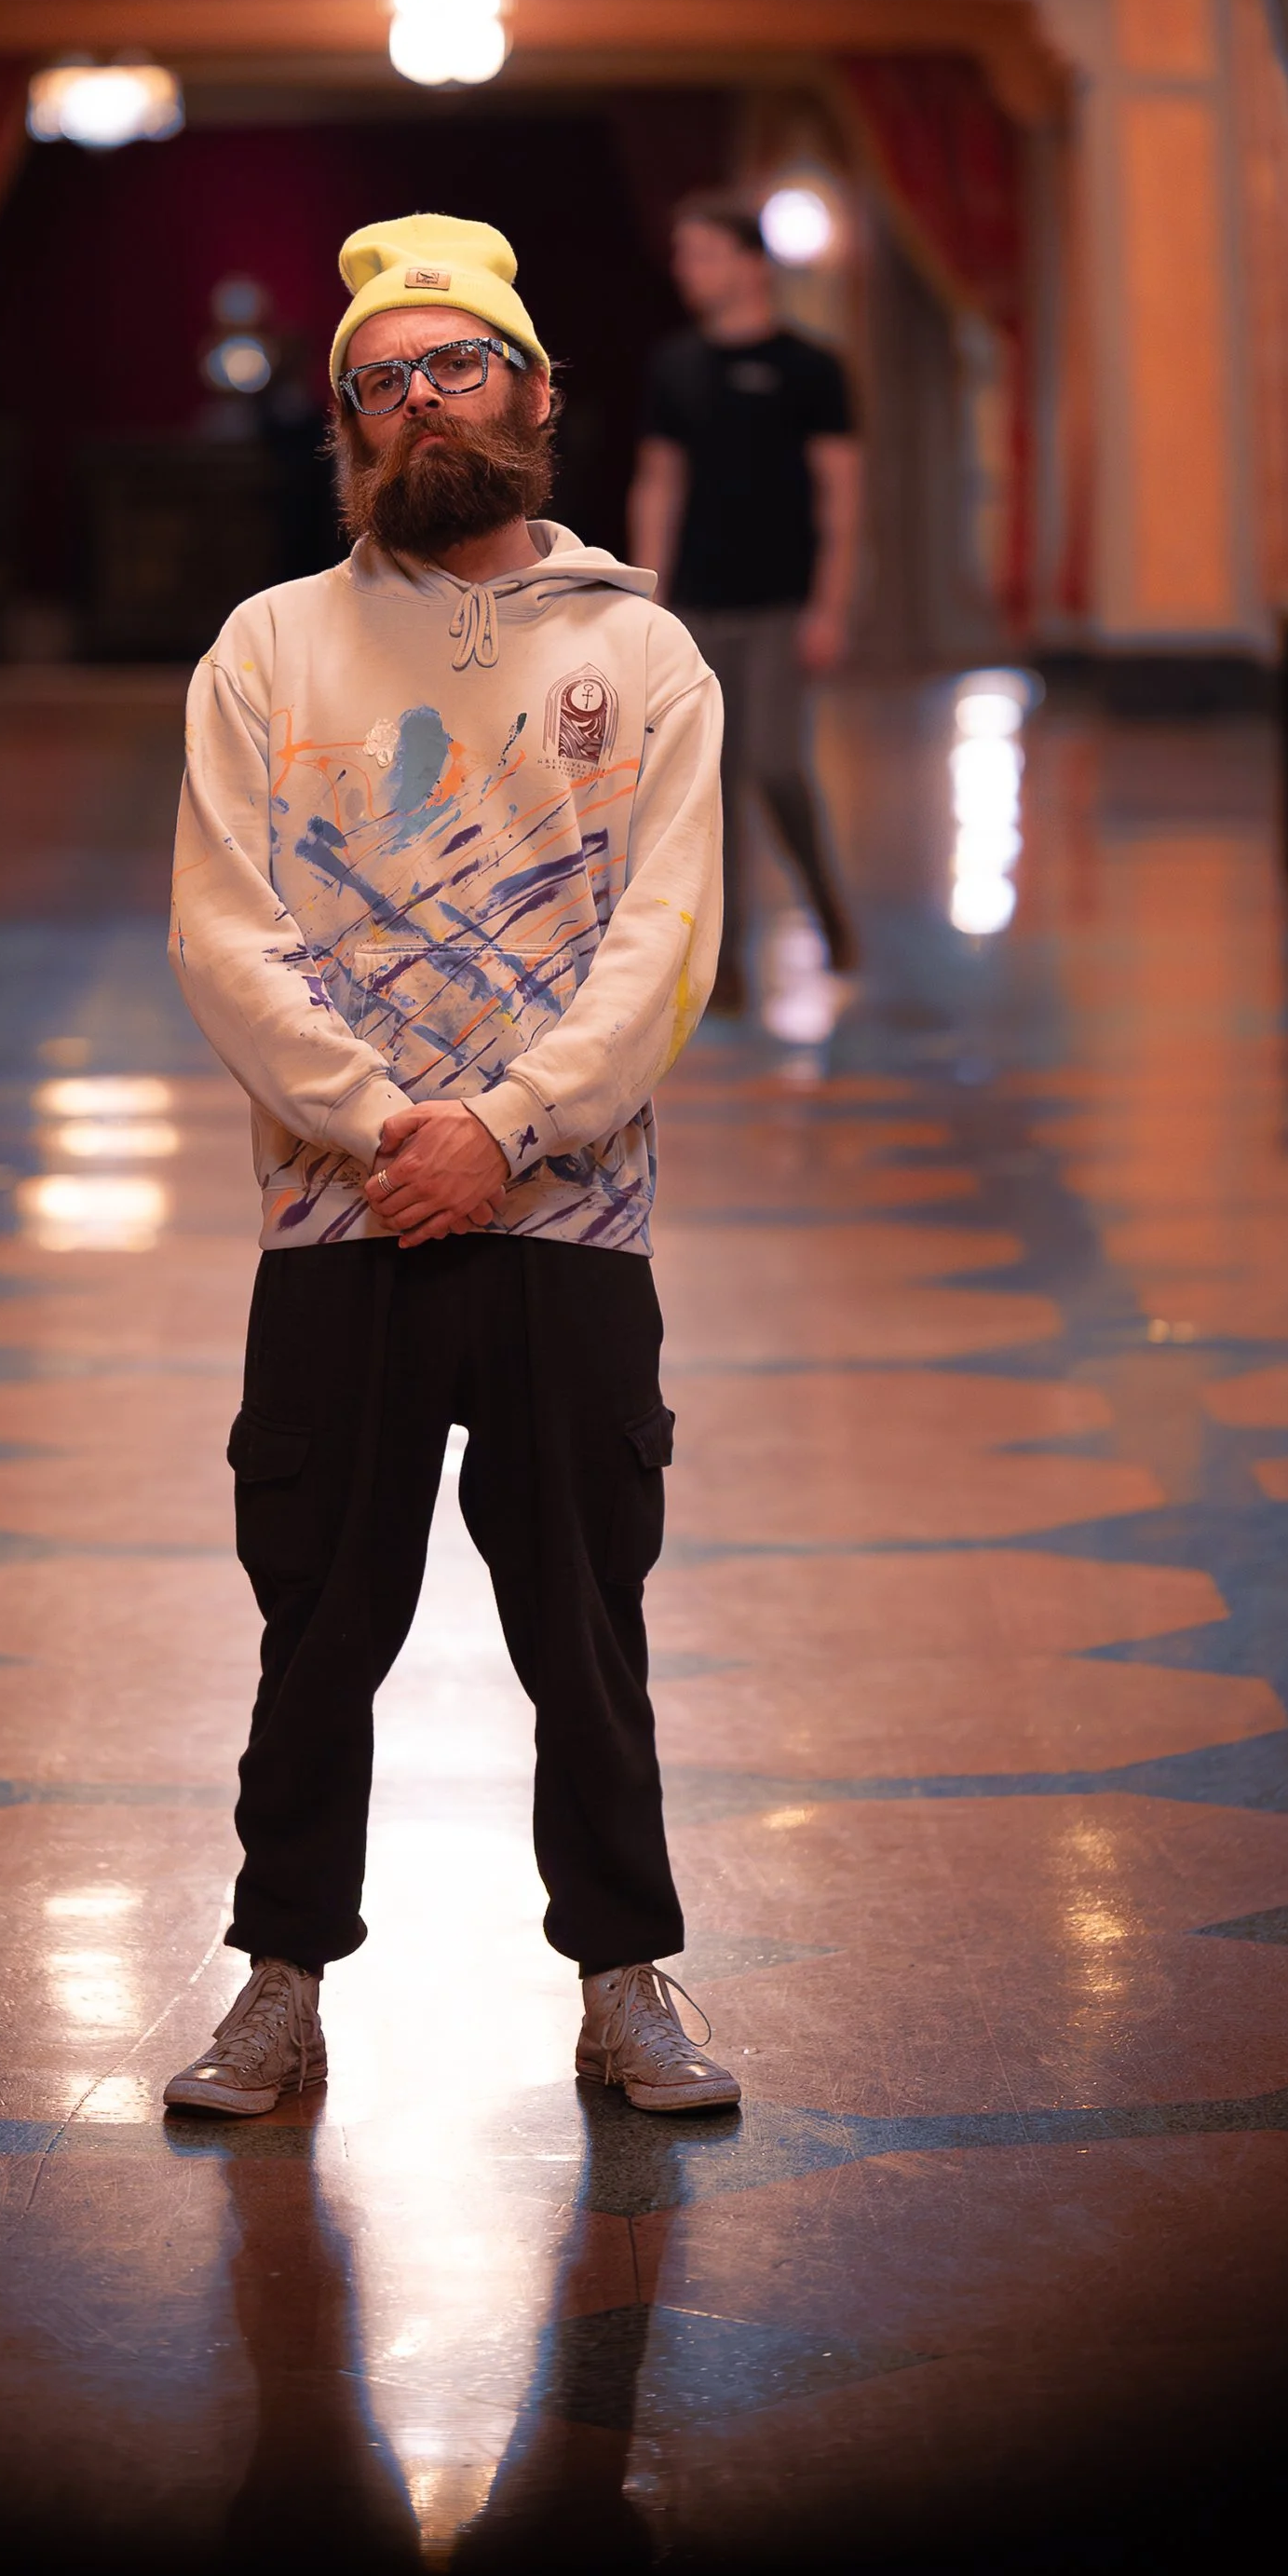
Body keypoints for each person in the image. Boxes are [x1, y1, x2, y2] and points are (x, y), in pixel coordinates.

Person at [163, 211, 741, 2121]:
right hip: (336, 1222)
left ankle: (626, 1980)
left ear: (535, 389)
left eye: (457, 363)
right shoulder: (268, 645)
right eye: (384, 379)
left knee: (586, 1625)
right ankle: (277, 1982)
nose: (423, 400)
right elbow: (222, 931)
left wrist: (502, 1126)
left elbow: (669, 939)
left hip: (573, 1219)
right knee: (316, 1624)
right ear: (347, 421)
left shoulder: (641, 653)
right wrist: (380, 1125)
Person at [628, 193, 862, 1014]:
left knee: (775, 763)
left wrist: (830, 605)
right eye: (681, 255)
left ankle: (827, 903)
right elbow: (660, 484)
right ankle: (722, 963)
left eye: (702, 253)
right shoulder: (676, 367)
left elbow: (841, 495)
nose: (686, 270)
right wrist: (649, 600)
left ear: (751, 264)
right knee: (708, 788)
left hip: (782, 605)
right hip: (699, 605)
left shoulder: (813, 369)